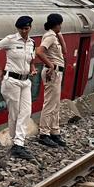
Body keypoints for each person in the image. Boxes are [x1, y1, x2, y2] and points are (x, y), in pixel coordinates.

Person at [0, 15, 36, 159]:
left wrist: (32, 68)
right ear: (18, 29)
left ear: (30, 28)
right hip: (12, 81)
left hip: (25, 81)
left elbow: (31, 60)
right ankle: (17, 144)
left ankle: (18, 144)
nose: (24, 31)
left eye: (26, 28)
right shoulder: (10, 39)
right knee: (15, 113)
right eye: (21, 29)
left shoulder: (32, 43)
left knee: (26, 111)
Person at [35, 12, 67, 148]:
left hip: (57, 72)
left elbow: (65, 51)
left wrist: (59, 34)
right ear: (57, 24)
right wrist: (50, 65)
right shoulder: (49, 36)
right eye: (60, 25)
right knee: (49, 104)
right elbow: (39, 51)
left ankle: (54, 131)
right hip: (52, 72)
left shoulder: (54, 36)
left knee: (55, 104)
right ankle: (44, 133)